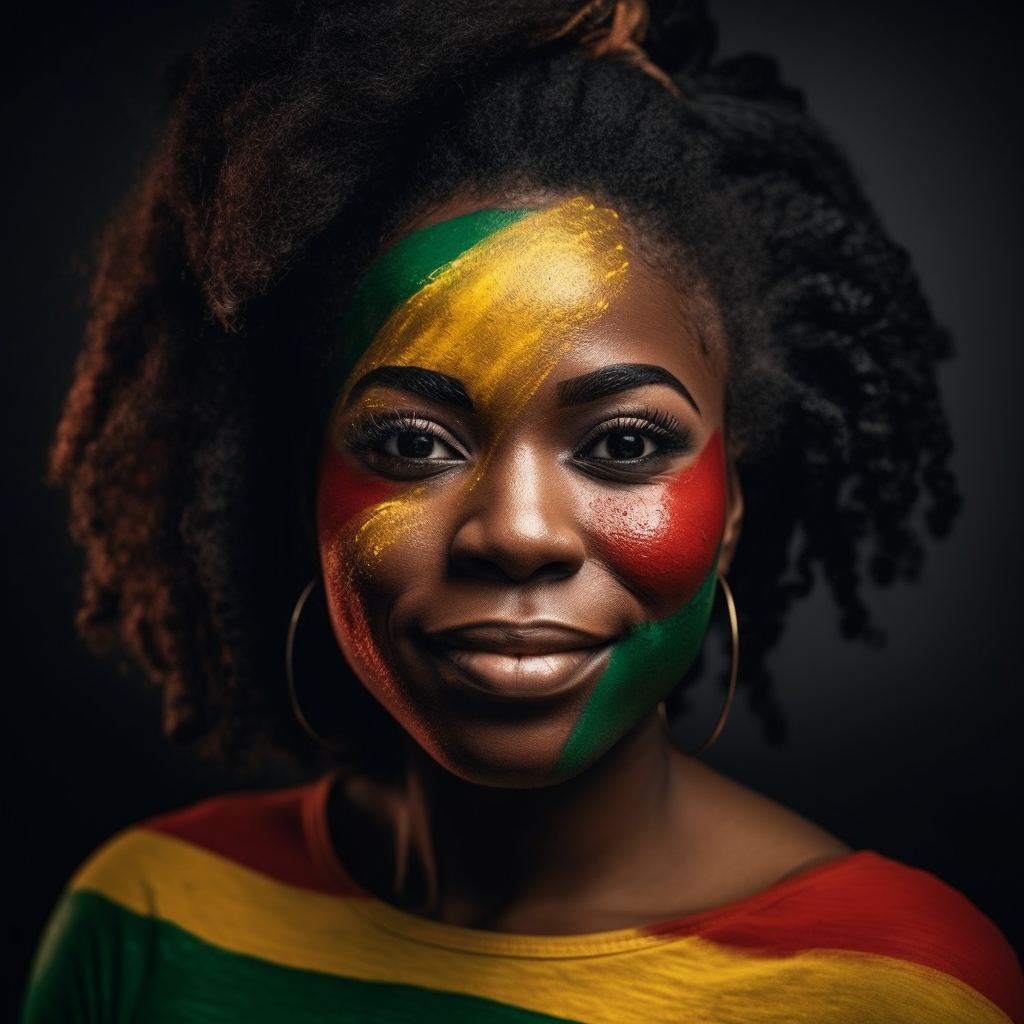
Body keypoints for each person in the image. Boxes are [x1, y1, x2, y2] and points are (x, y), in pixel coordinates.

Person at [21, 0, 1024, 1021]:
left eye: (624, 445)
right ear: (304, 489)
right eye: (411, 443)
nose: (516, 532)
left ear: (730, 505)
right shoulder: (153, 916)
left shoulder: (888, 985)